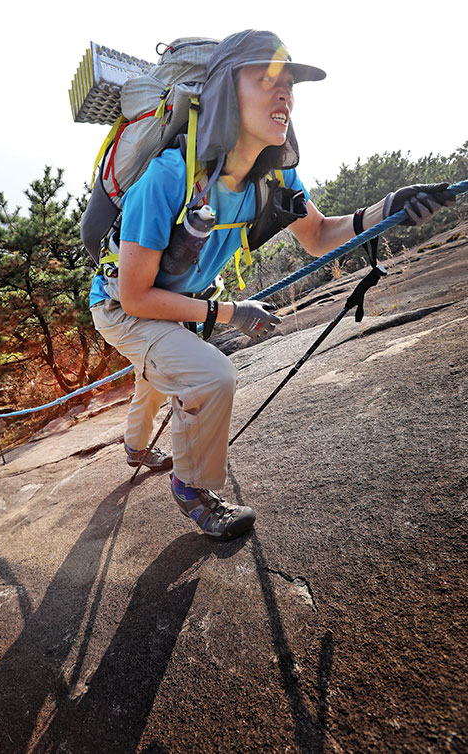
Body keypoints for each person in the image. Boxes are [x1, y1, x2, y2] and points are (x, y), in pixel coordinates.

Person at [89, 29, 453, 541]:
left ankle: (134, 446)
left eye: (290, 85)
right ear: (224, 94)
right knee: (208, 376)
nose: (285, 95)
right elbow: (135, 296)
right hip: (123, 306)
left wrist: (388, 208)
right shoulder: (170, 175)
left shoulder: (275, 177)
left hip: (178, 304)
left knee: (158, 373)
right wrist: (231, 313)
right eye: (267, 80)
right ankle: (193, 489)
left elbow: (320, 234)